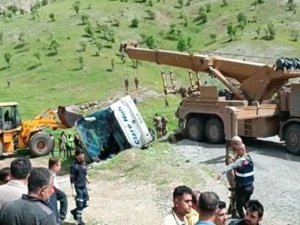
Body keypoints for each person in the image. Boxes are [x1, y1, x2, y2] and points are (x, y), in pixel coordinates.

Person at [218, 143, 254, 219]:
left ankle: (243, 220)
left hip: (242, 188)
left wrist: (220, 173)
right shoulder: (249, 159)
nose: (236, 153)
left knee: (239, 206)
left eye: (237, 151)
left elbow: (231, 166)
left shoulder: (240, 161)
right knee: (246, 204)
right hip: (250, 187)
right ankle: (252, 217)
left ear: (241, 150)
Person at [70, 149, 90, 225]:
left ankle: (74, 211)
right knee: (80, 204)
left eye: (83, 154)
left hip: (84, 187)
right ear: (77, 156)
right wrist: (73, 190)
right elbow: (71, 179)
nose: (83, 156)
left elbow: (85, 174)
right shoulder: (73, 166)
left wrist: (89, 183)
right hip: (78, 188)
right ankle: (79, 221)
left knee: (86, 203)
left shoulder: (84, 163)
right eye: (81, 155)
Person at [48, 157, 68, 224]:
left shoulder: (51, 174)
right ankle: (61, 217)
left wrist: (64, 180)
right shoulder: (49, 176)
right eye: (60, 165)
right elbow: (54, 188)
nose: (60, 167)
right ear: (55, 166)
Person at [227, 136, 243, 218]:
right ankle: (233, 211)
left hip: (237, 173)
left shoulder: (237, 150)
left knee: (235, 192)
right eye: (239, 143)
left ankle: (230, 207)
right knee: (234, 192)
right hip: (232, 174)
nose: (241, 145)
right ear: (234, 145)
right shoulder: (231, 153)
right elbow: (230, 167)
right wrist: (233, 179)